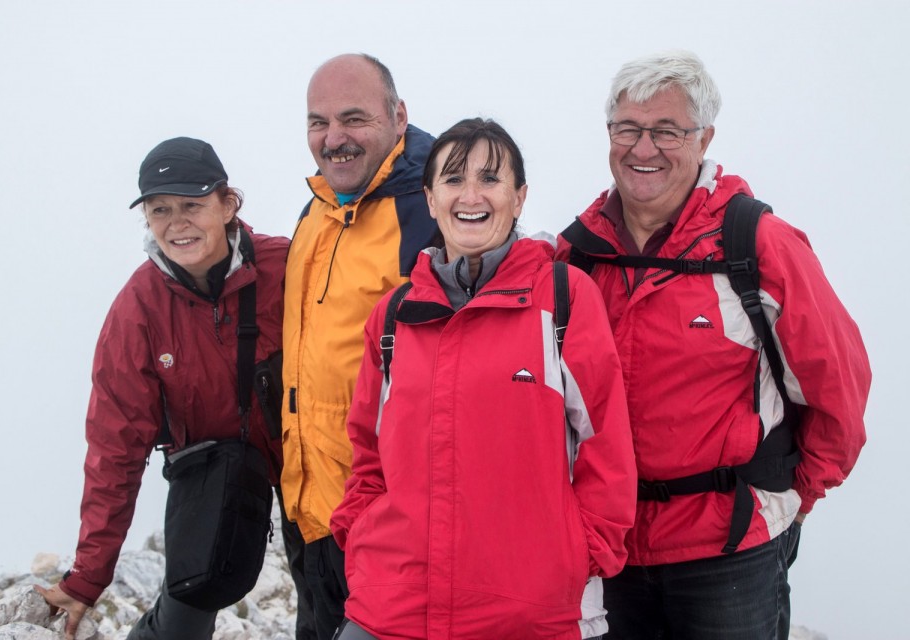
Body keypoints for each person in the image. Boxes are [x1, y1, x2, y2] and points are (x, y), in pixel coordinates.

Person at [556, 50, 872, 639]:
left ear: (704, 139)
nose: (642, 148)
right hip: (615, 547)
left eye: (666, 131)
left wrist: (794, 495)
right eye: (627, 128)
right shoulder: (579, 254)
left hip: (732, 551)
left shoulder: (756, 245)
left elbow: (839, 384)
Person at [329, 118, 638, 639]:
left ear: (519, 198)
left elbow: (605, 445)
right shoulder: (395, 315)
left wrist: (578, 555)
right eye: (452, 180)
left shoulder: (563, 298)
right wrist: (360, 533)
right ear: (430, 199)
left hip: (528, 615)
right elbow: (367, 452)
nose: (470, 195)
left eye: (490, 179)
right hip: (392, 608)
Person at [35, 137, 289, 640]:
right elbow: (115, 448)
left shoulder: (288, 267)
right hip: (211, 478)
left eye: (192, 205)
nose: (177, 223)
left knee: (333, 604)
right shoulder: (138, 310)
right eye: (159, 210)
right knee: (183, 618)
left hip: (309, 470)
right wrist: (88, 577)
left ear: (228, 203)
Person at [280, 53, 439, 640]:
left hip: (393, 527)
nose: (333, 138)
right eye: (317, 122)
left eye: (354, 118)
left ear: (399, 116)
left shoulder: (432, 211)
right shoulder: (316, 211)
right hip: (312, 518)